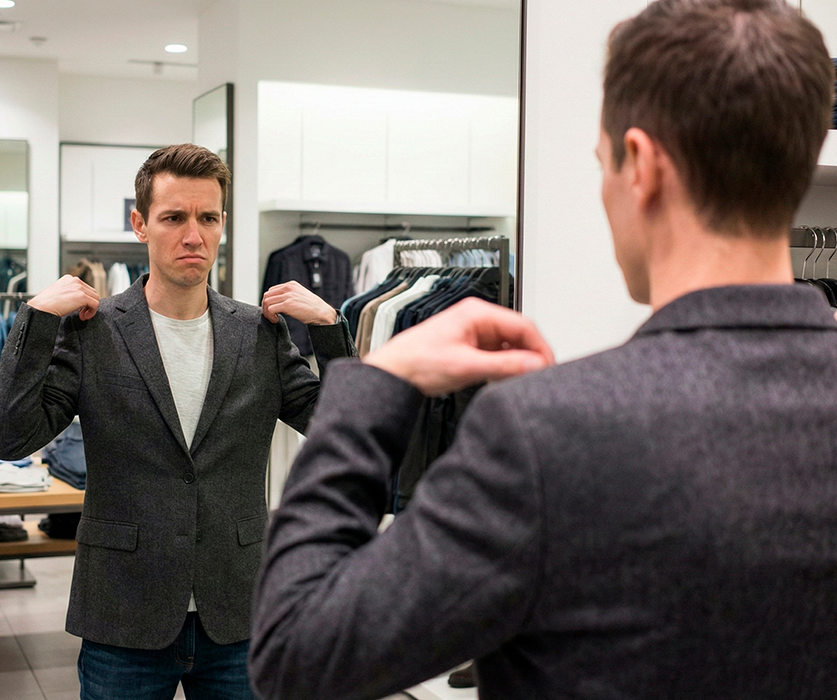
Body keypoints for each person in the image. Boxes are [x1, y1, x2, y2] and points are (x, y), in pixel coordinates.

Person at [248, 1, 837, 699]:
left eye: (601, 165)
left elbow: (297, 649)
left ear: (641, 165)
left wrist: (374, 380)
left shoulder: (547, 434)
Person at [0, 143, 355, 700]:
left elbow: (349, 433)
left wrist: (331, 329)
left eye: (207, 218)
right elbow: (9, 439)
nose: (193, 235)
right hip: (123, 614)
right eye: (174, 217)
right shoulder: (94, 331)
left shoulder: (259, 334)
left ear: (222, 224)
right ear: (140, 224)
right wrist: (34, 320)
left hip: (237, 613)